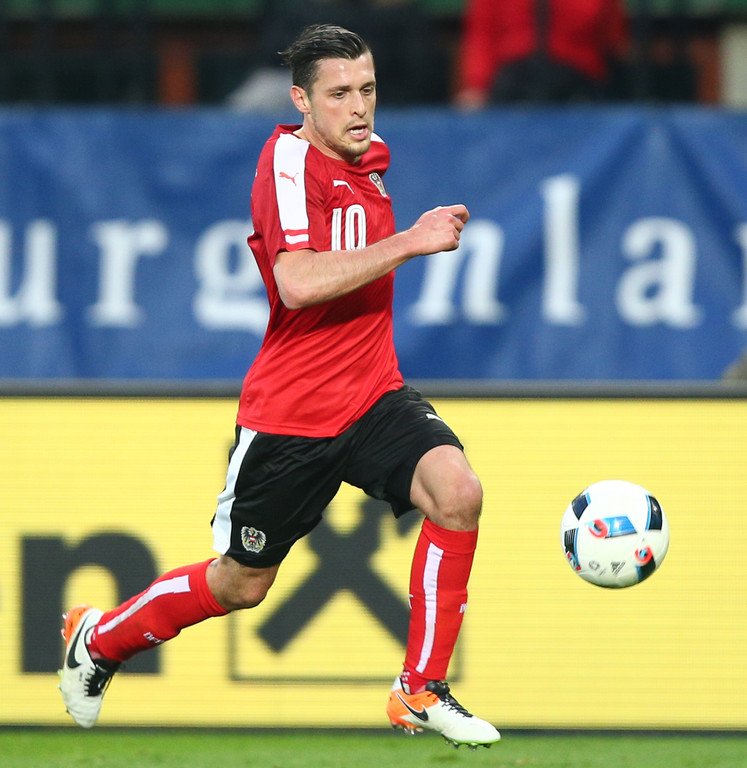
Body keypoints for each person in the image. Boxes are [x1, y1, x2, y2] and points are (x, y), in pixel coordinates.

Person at [58, 23, 500, 749]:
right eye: (338, 94)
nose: (358, 107)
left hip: (373, 394)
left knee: (458, 492)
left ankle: (420, 689)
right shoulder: (288, 162)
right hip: (294, 415)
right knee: (242, 583)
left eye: (367, 90)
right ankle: (99, 639)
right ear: (301, 100)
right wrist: (410, 241)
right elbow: (295, 282)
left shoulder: (370, 158)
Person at [455, 0, 630, 108]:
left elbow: (611, 39)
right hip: (512, 85)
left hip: (578, 84)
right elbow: (482, 33)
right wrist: (477, 86)